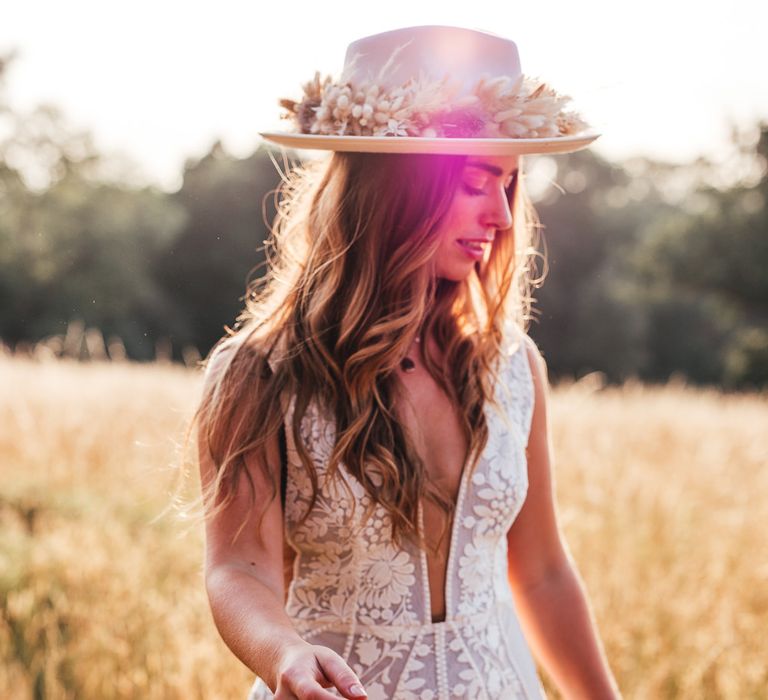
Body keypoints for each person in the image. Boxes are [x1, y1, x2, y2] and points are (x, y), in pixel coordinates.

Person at [195, 25, 621, 700]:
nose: (504, 217)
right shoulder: (261, 374)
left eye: (510, 186)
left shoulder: (513, 368)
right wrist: (285, 657)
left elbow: (540, 571)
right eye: (479, 183)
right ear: (395, 186)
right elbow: (238, 569)